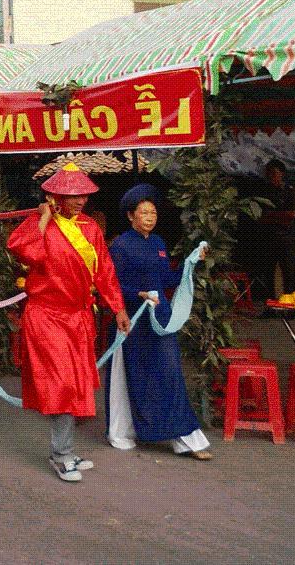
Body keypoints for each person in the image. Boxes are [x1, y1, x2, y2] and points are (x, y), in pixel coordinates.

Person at [7, 162, 130, 483]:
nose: (79, 200)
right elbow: (23, 252)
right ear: (53, 196)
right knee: (61, 384)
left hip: (78, 317)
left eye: (83, 194)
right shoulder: (39, 223)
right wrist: (44, 219)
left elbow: (104, 270)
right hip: (47, 316)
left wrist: (117, 307)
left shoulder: (90, 228)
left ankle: (65, 449)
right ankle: (61, 454)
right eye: (71, 195)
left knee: (75, 384)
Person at [106, 184, 213, 460]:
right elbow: (112, 285)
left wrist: (190, 264)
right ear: (131, 216)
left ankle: (187, 439)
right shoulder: (120, 246)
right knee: (133, 376)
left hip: (160, 320)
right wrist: (136, 295)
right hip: (133, 320)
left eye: (153, 212)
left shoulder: (159, 244)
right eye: (144, 212)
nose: (150, 217)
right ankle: (124, 431)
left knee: (170, 373)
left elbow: (166, 280)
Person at [257, 159, 295, 298]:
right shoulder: (264, 192)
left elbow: (291, 215)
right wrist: (278, 216)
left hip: (286, 238)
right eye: (269, 173)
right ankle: (270, 305)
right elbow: (260, 216)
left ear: (281, 174)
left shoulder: (290, 192)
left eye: (274, 173)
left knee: (289, 273)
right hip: (268, 237)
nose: (271, 176)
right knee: (267, 273)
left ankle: (291, 306)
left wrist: (273, 216)